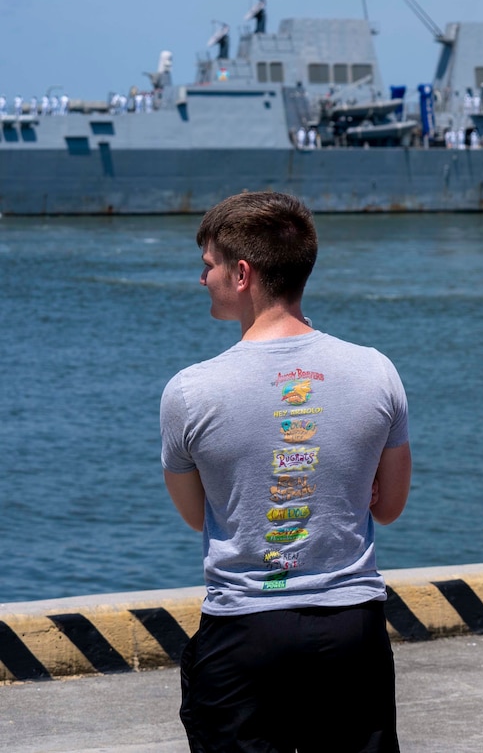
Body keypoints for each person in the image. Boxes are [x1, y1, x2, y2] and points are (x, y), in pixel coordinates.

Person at [160, 192, 412, 753]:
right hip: (351, 628)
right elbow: (390, 506)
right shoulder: (376, 372)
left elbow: (199, 513)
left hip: (245, 630)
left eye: (209, 267)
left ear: (242, 273)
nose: (203, 280)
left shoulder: (190, 391)